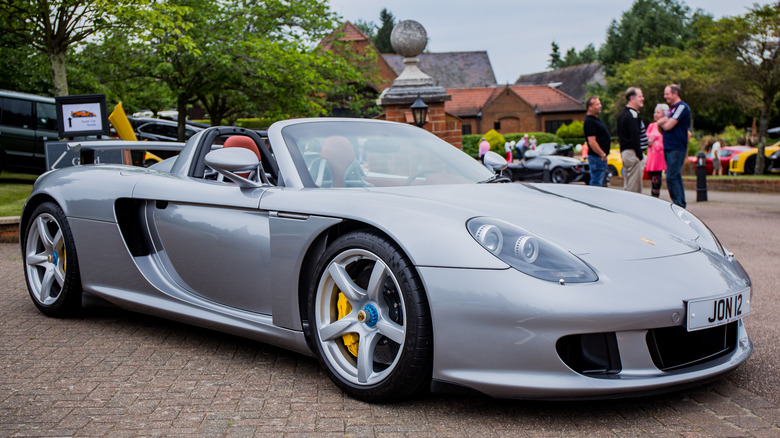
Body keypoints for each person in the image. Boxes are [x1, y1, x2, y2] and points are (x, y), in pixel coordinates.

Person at [657, 84, 690, 208]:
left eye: (667, 94)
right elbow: (661, 128)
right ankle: (681, 203)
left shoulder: (681, 107)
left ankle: (679, 204)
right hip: (669, 146)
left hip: (677, 147)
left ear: (675, 93)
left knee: (671, 176)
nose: (665, 97)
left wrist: (662, 123)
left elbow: (668, 126)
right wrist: (661, 123)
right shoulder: (672, 109)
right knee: (675, 175)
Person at [616, 87, 648, 193]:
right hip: (633, 154)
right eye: (640, 96)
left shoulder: (622, 114)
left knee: (628, 184)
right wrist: (639, 155)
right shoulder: (633, 115)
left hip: (627, 153)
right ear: (632, 98)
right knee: (634, 189)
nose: (642, 98)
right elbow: (634, 136)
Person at [583, 96, 611, 186]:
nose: (600, 106)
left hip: (599, 158)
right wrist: (602, 154)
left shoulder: (595, 120)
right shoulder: (590, 122)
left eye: (600, 103)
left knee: (599, 183)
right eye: (597, 104)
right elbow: (592, 141)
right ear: (590, 107)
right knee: (596, 183)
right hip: (597, 158)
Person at [645, 104, 669, 197]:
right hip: (652, 155)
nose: (655, 114)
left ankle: (655, 196)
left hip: (661, 156)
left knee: (657, 178)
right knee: (652, 177)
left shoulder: (666, 125)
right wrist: (648, 142)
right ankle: (654, 196)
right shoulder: (651, 125)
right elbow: (645, 138)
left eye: (658, 112)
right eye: (655, 112)